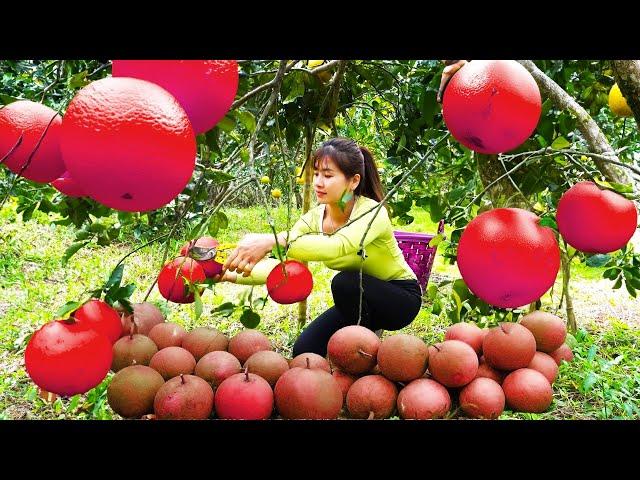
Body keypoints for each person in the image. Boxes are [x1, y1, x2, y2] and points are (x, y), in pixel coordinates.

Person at [215, 138, 422, 357]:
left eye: (328, 175)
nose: (318, 183)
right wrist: (227, 272)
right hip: (357, 302)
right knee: (305, 350)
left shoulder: (372, 212)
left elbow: (338, 246)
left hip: (400, 299)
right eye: (316, 174)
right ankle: (363, 336)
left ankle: (364, 353)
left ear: (353, 181)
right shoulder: (313, 219)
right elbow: (286, 267)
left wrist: (273, 240)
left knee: (344, 282)